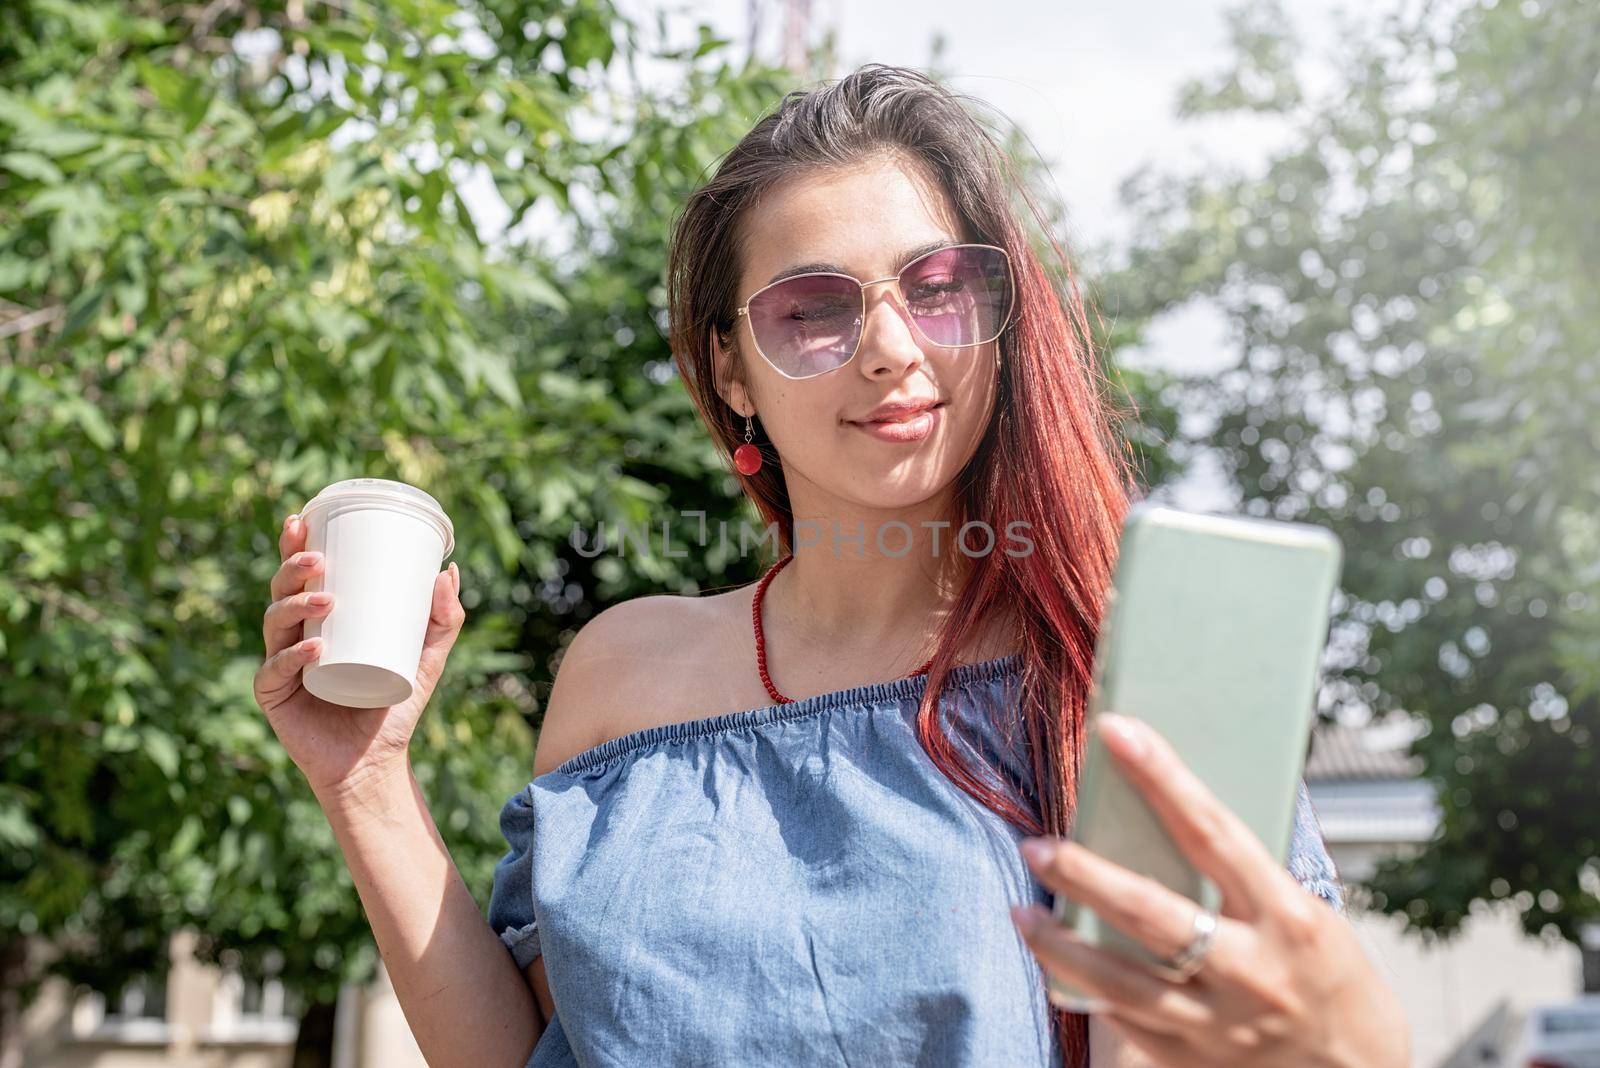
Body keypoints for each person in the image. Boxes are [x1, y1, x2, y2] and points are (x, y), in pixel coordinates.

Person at [254, 63, 1409, 1068]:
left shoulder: (1124, 674)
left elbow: (1285, 1033)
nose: (891, 350)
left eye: (937, 286)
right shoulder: (621, 673)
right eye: (813, 309)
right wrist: (366, 785)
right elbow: (535, 1055)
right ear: (731, 370)